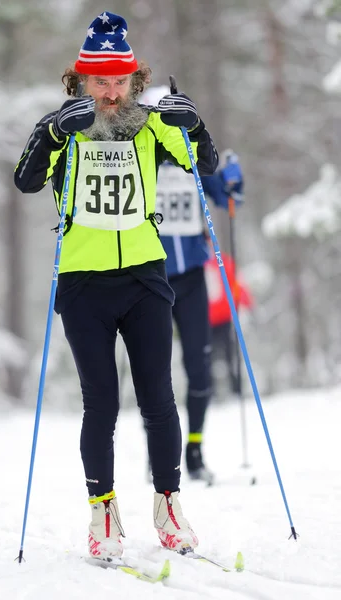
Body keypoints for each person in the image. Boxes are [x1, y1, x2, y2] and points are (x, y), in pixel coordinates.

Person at [14, 12, 218, 560]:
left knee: (158, 396)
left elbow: (207, 167)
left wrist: (194, 124)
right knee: (100, 402)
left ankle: (169, 505)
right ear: (80, 81)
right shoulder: (64, 126)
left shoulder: (152, 126)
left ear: (134, 80)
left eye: (118, 80)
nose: (109, 91)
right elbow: (26, 178)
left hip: (146, 278)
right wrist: (53, 131)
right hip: (85, 284)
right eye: (98, 80)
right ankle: (103, 512)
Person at [140, 87, 244, 483]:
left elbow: (226, 197)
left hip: (191, 279)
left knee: (199, 369)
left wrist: (233, 183)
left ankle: (195, 451)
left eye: (171, 117)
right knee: (154, 372)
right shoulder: (140, 157)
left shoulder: (192, 157)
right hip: (149, 279)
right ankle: (157, 454)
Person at [205, 249, 253, 395]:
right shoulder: (197, 265)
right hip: (206, 320)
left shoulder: (223, 261)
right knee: (207, 356)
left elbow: (237, 282)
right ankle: (210, 392)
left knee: (230, 354)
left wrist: (245, 303)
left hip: (225, 317)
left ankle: (236, 388)